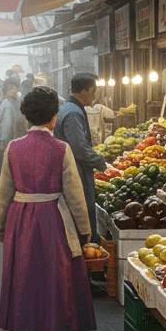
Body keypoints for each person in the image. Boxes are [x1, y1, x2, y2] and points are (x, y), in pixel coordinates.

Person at [0, 86, 96, 331]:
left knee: (22, 272)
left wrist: (0, 224)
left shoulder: (13, 148)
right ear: (53, 117)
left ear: (27, 116)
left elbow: (4, 191)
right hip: (53, 216)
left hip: (20, 216)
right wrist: (84, 229)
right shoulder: (61, 148)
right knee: (54, 274)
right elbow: (74, 193)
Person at [55, 74, 110, 243]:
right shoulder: (73, 113)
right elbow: (80, 149)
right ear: (84, 91)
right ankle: (85, 252)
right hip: (75, 171)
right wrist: (101, 163)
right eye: (93, 91)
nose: (95, 95)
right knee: (81, 215)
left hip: (72, 169)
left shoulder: (69, 108)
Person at [0, 78, 22, 188]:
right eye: (12, 88)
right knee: (5, 173)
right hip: (7, 143)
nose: (15, 90)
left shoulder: (14, 103)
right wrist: (3, 142)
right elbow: (6, 125)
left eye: (16, 88)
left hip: (13, 141)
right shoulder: (7, 105)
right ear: (6, 90)